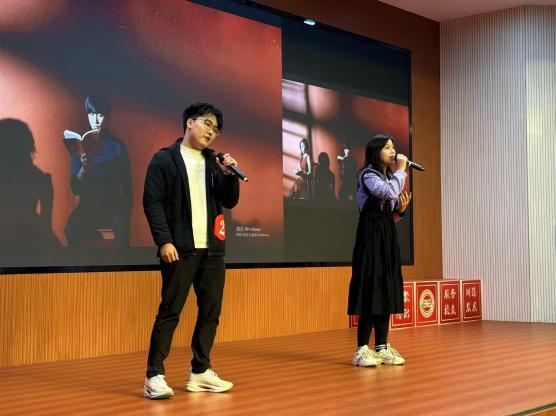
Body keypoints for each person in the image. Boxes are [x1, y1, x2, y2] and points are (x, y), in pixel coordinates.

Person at [143, 102, 240, 399]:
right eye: (207, 124)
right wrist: (164, 241)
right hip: (180, 249)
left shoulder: (215, 162)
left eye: (216, 129)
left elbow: (229, 201)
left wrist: (229, 174)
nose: (211, 132)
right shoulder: (165, 159)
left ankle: (200, 370)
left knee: (210, 313)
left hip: (212, 250)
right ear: (189, 122)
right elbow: (152, 202)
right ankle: (154, 376)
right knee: (170, 311)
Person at [347, 134, 412, 367]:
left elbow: (390, 213)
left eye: (393, 147)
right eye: (387, 147)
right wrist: (402, 170)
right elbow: (387, 193)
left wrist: (400, 211)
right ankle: (361, 350)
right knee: (370, 286)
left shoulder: (389, 177)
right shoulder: (368, 175)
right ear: (376, 151)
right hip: (370, 237)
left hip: (386, 237)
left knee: (386, 285)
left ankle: (382, 347)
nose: (393, 151)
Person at [64, 94, 132, 248]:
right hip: (88, 205)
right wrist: (83, 169)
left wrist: (126, 215)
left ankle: (121, 264)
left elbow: (127, 186)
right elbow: (75, 188)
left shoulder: (117, 146)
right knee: (70, 230)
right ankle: (82, 263)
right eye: (91, 115)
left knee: (122, 230)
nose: (95, 120)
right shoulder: (80, 145)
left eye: (100, 115)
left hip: (113, 204)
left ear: (107, 117)